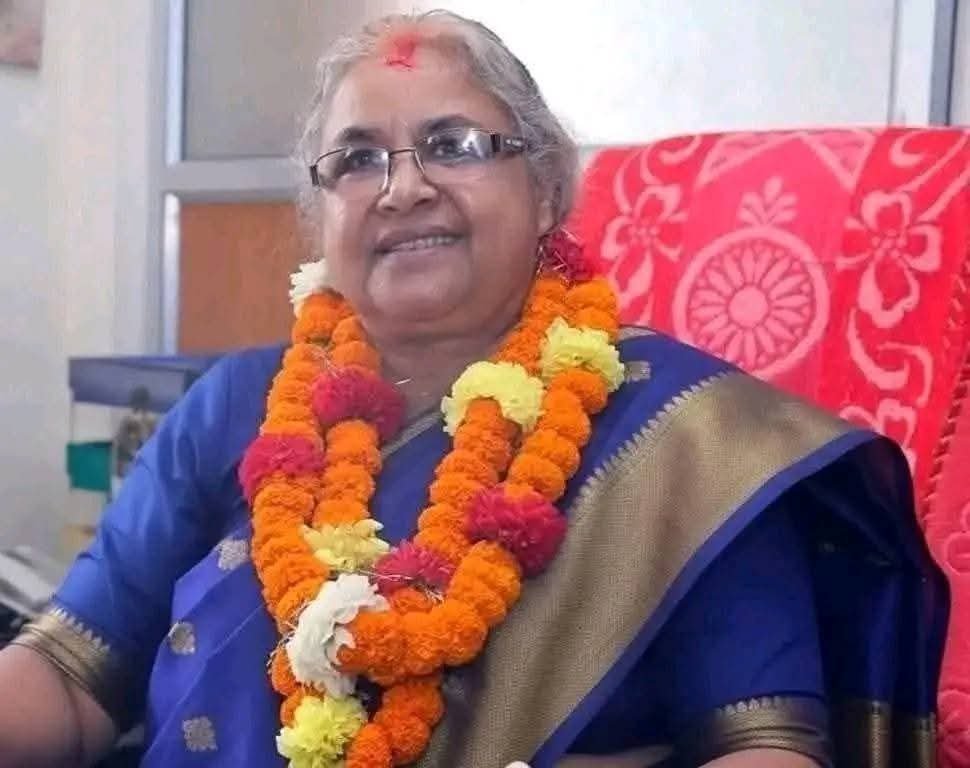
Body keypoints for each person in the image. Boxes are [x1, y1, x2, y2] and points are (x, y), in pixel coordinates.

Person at [0, 10, 946, 768]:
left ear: (545, 189)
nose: (401, 188)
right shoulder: (236, 406)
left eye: (452, 144)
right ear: (320, 218)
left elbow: (764, 746)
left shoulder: (689, 446)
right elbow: (71, 680)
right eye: (357, 159)